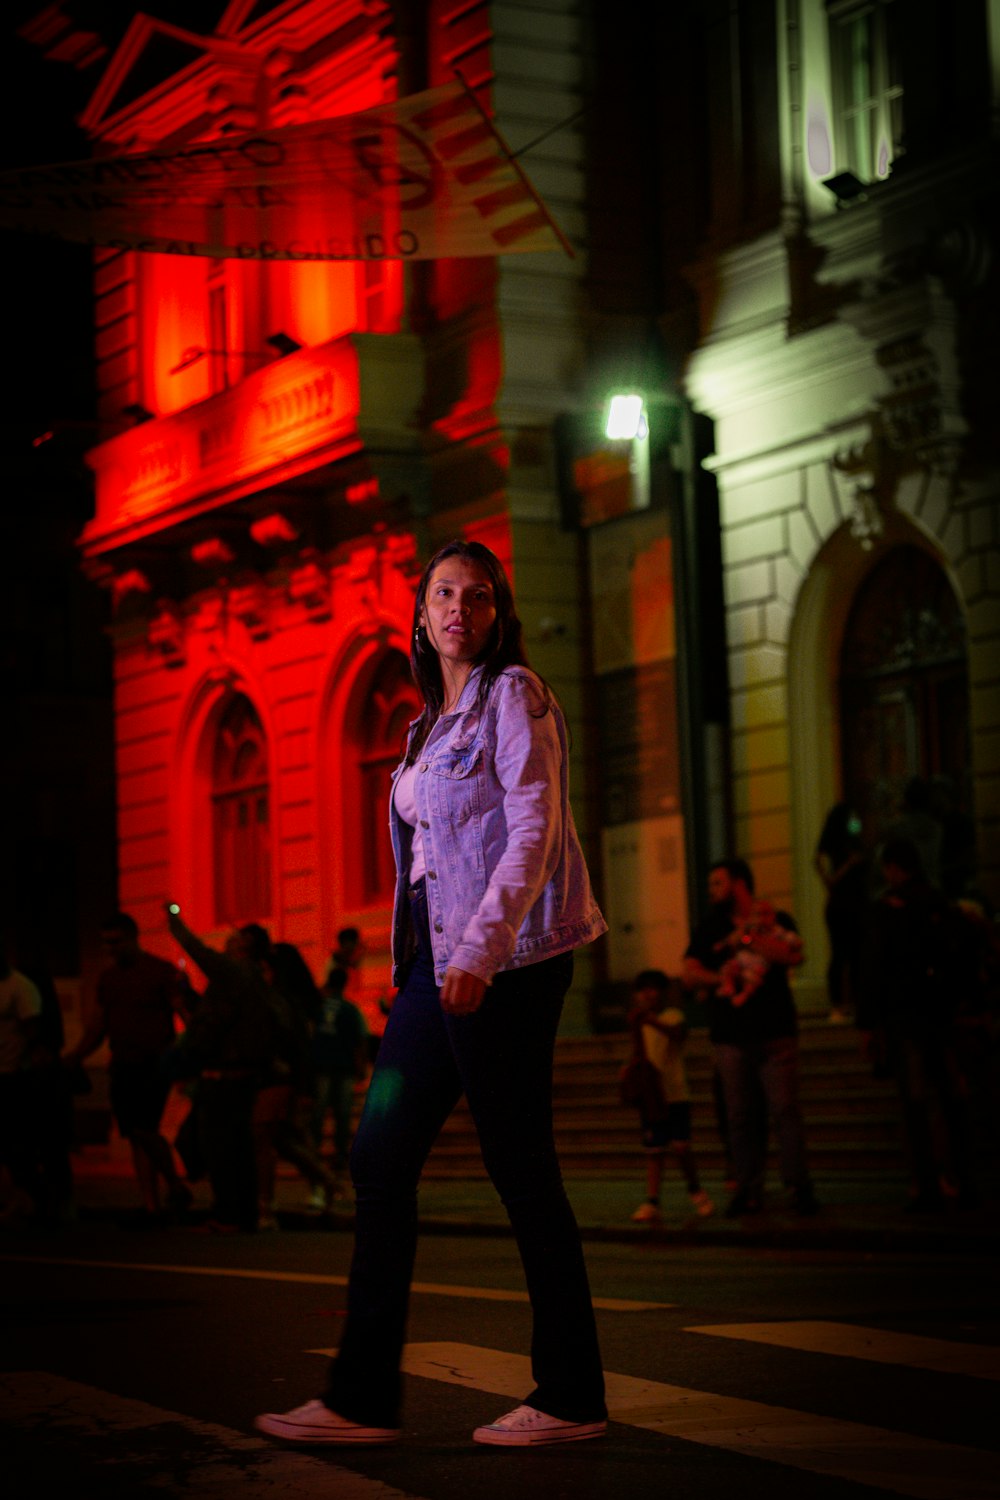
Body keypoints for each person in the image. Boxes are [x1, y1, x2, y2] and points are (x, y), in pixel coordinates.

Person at [257, 538, 609, 1448]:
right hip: (431, 974)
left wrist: (481, 954)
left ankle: (571, 1396)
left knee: (521, 1169)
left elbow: (532, 832)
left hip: (511, 966)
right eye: (445, 594)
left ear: (498, 615)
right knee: (377, 1161)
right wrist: (407, 964)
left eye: (479, 596)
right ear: (421, 615)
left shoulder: (514, 697)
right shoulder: (422, 730)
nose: (461, 609)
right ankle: (359, 1398)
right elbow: (422, 869)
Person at [682, 859, 818, 1218]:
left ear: (739, 884)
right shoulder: (710, 927)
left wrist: (749, 939)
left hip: (776, 1032)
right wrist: (723, 979)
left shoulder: (775, 920)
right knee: (740, 1115)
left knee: (785, 1110)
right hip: (731, 1036)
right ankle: (748, 1188)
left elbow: (792, 954)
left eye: (717, 883)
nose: (712, 891)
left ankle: (798, 1185)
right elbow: (689, 973)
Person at [857, 837, 977, 1211]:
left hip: (903, 1014)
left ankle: (924, 1180)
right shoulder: (939, 903)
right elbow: (963, 955)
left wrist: (868, 1022)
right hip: (940, 1012)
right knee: (949, 1097)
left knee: (914, 1099)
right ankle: (957, 1175)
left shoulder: (887, 910)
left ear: (894, 868)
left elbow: (872, 968)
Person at [64, 912, 191, 1225]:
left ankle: (173, 1185)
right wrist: (77, 1054)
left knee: (143, 1128)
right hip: (122, 1063)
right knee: (135, 1134)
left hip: (154, 1062)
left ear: (133, 938)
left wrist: (190, 1056)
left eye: (116, 942)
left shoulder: (160, 971)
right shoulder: (109, 979)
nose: (111, 949)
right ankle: (152, 1204)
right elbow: (99, 1023)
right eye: (107, 943)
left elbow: (183, 1011)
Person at [624, 969, 713, 1223]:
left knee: (681, 1147)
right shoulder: (639, 1022)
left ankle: (697, 1193)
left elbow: (677, 1034)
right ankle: (652, 1201)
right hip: (653, 1097)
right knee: (654, 1150)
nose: (647, 994)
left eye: (653, 988)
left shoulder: (673, 1016)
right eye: (642, 989)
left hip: (675, 1094)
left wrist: (649, 1020)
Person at [310, 964, 367, 1177]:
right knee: (342, 1115)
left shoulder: (318, 1007)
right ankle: (341, 1156)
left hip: (321, 1066)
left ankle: (313, 1152)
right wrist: (360, 1067)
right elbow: (360, 1039)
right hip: (344, 1068)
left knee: (318, 1112)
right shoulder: (350, 1009)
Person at [813, 802, 869, 1023]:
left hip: (852, 902)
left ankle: (853, 1003)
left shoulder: (854, 839)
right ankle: (839, 1003)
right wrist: (833, 878)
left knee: (855, 956)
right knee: (841, 955)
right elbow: (817, 861)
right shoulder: (840, 841)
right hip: (843, 903)